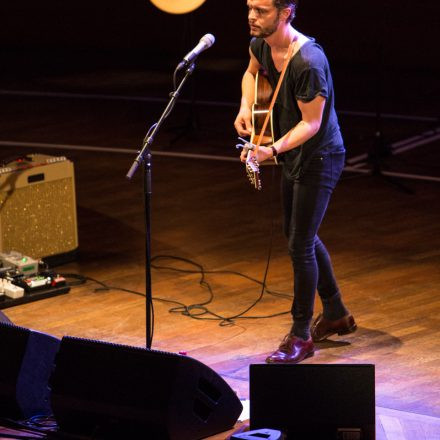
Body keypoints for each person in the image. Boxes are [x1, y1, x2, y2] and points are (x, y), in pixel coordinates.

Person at [234, 0, 357, 363]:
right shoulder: (261, 43)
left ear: (286, 12)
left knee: (299, 243)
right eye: (249, 8)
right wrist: (245, 105)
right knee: (298, 235)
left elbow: (312, 124)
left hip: (320, 157)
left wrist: (271, 149)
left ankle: (301, 335)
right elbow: (251, 71)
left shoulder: (308, 62)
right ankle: (335, 312)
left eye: (261, 10)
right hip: (294, 154)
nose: (252, 17)